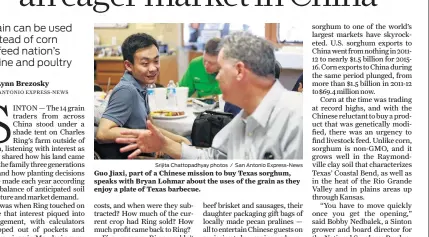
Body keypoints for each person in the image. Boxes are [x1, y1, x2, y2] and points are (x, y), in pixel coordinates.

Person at [116, 32, 303, 160]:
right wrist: (164, 144)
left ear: (239, 71)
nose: (217, 77)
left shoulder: (298, 118)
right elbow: (213, 158)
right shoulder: (242, 120)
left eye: (220, 69)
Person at [95, 33, 189, 158]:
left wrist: (179, 139)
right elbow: (103, 133)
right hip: (137, 156)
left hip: (147, 151)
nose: (153, 68)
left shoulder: (141, 86)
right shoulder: (127, 91)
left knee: (187, 140)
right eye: (145, 64)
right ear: (128, 65)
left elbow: (151, 126)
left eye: (156, 61)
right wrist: (147, 136)